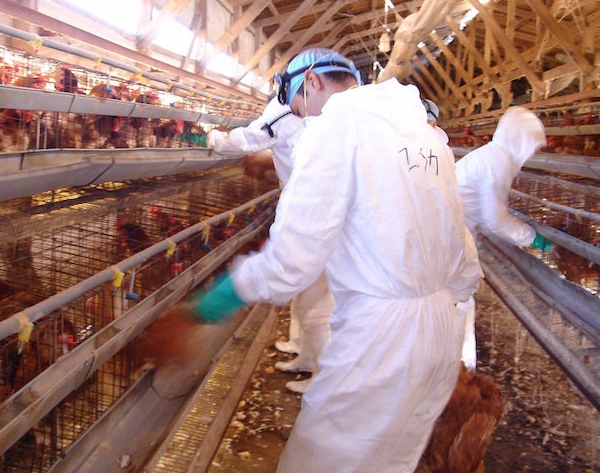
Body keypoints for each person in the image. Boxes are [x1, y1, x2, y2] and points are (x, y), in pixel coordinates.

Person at [195, 47, 481, 472]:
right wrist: (458, 306)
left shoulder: (334, 126)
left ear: (310, 82)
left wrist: (217, 301)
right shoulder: (424, 132)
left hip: (381, 339)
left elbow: (293, 260)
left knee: (319, 462)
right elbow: (459, 235)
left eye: (294, 104)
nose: (298, 116)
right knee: (392, 463)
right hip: (441, 328)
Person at [206, 97, 334, 394]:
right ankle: (305, 355)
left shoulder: (287, 111)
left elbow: (249, 138)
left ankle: (324, 379)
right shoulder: (318, 118)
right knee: (307, 301)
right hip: (313, 218)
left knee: (318, 311)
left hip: (319, 224)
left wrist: (213, 138)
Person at [454, 105, 551, 370]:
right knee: (461, 305)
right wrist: (531, 237)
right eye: (531, 146)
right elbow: (494, 219)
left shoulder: (493, 156)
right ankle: (461, 374)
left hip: (453, 233)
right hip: (453, 239)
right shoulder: (497, 163)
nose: (531, 153)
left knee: (456, 302)